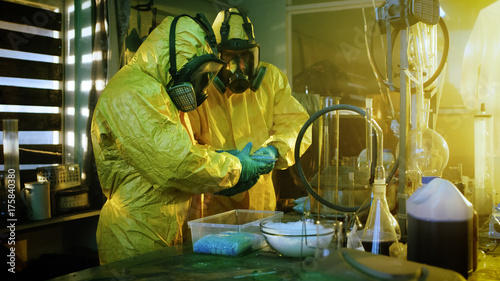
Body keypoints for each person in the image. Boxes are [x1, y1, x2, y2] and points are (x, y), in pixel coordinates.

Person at [91, 13, 271, 264]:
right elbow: (178, 164)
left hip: (165, 234)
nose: (203, 86)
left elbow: (182, 150)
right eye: (200, 74)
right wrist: (237, 167)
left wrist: (223, 159)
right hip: (133, 240)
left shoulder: (161, 93)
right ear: (175, 60)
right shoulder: (131, 92)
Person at [188, 8, 312, 217]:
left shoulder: (270, 79)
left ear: (254, 52)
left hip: (260, 204)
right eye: (229, 57)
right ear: (216, 54)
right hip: (212, 207)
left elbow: (296, 124)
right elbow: (186, 146)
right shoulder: (200, 84)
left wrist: (274, 150)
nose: (239, 66)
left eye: (245, 55)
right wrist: (222, 166)